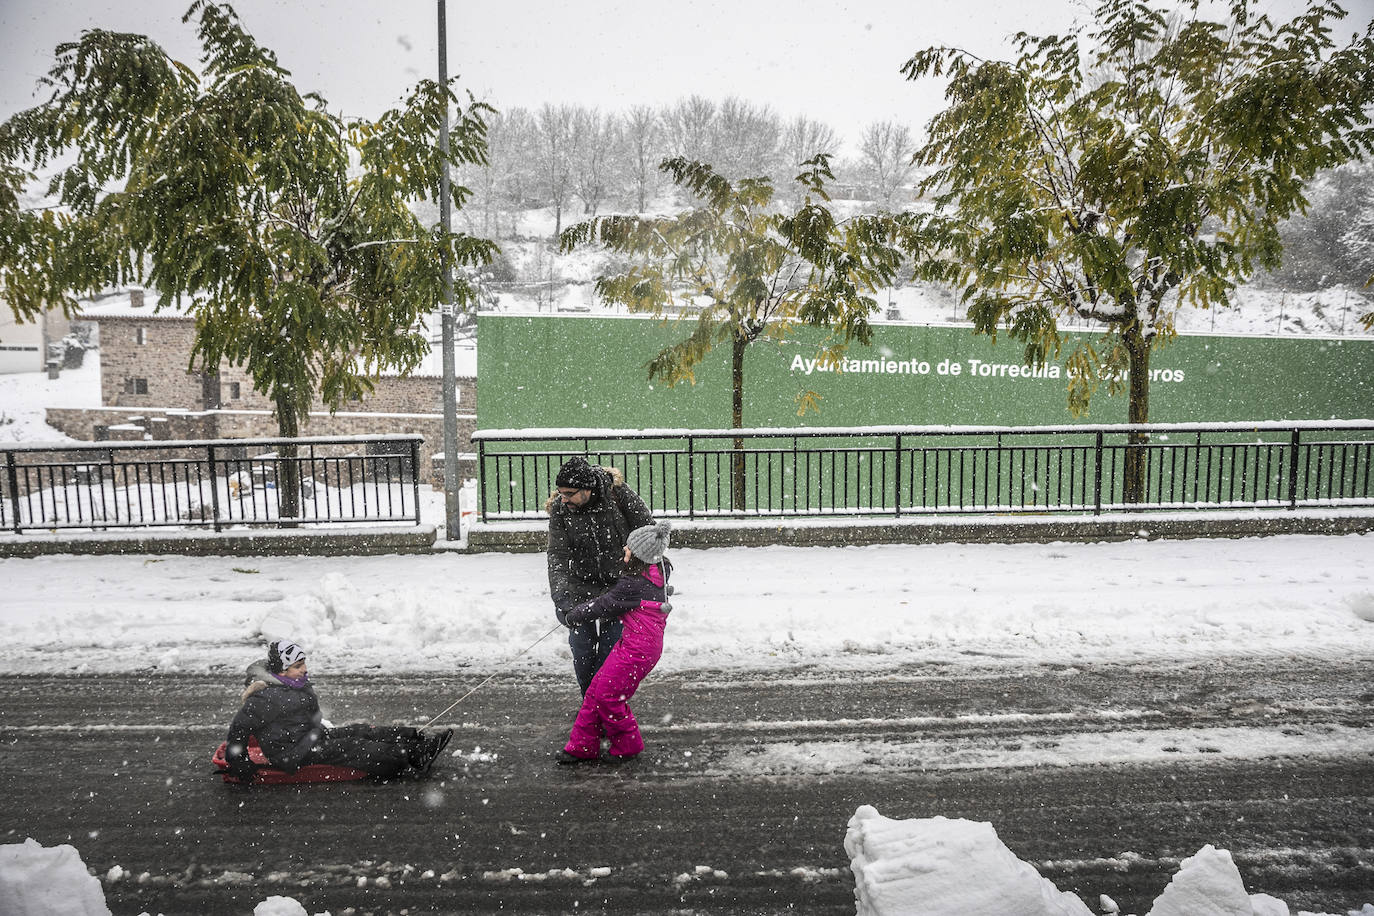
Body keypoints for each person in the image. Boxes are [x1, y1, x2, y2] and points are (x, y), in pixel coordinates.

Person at [222, 638, 451, 783]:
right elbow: (238, 731)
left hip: (309, 737)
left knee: (359, 730)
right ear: (281, 671)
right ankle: (412, 756)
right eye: (297, 666)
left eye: (304, 663)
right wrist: (239, 763)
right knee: (355, 747)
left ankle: (413, 738)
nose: (304, 670)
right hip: (293, 752)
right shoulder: (265, 697)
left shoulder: (290, 684)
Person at [558, 521, 673, 765]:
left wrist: (572, 615)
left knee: (608, 696)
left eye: (629, 548)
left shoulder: (633, 585)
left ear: (639, 555)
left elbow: (602, 605)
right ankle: (581, 746)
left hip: (638, 651)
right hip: (635, 644)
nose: (625, 549)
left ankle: (628, 744)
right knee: (595, 691)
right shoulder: (654, 572)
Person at [546, 456, 655, 695]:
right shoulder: (561, 509)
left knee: (610, 652)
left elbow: (648, 532)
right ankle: (591, 705)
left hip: (618, 588)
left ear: (587, 489)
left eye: (569, 493)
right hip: (579, 587)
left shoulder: (618, 495)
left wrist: (643, 575)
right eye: (561, 493)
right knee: (582, 651)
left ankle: (601, 706)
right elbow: (558, 555)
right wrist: (561, 597)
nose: (564, 499)